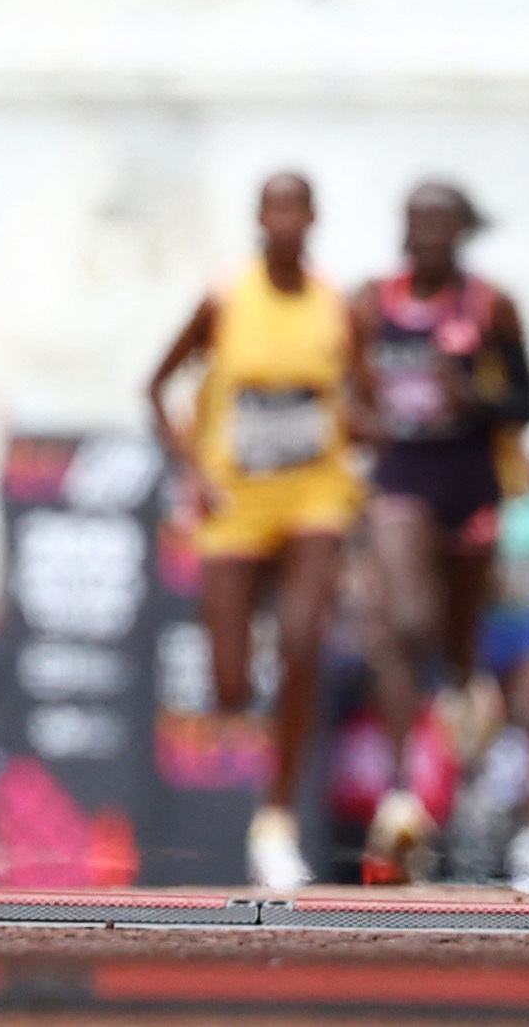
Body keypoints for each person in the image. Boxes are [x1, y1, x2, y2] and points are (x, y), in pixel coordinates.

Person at [147, 172, 360, 893]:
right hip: (235, 499)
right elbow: (156, 385)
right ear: (259, 219)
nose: (285, 222)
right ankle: (252, 778)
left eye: (297, 208)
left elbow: (365, 397)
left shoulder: (335, 303)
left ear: (314, 217)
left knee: (302, 640)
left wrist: (375, 434)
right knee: (232, 684)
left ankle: (277, 818)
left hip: (314, 495)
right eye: (274, 209)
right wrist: (191, 471)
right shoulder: (226, 297)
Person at [350, 180, 529, 883]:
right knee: (405, 623)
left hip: (470, 484)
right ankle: (401, 791)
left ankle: (469, 733)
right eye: (417, 222)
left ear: (462, 232)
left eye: (440, 224)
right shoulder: (372, 301)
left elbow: (526, 402)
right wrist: (364, 419)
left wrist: (475, 398)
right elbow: (346, 386)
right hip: (403, 475)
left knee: (459, 650)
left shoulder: (491, 305)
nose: (427, 236)